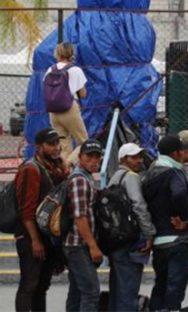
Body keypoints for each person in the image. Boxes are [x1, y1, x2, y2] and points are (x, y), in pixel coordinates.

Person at [14, 127, 69, 312]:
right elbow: (26, 210)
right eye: (51, 144)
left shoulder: (54, 167)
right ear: (39, 147)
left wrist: (64, 167)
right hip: (30, 236)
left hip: (47, 235)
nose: (56, 148)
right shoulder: (30, 169)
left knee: (42, 287)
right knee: (29, 284)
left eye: (57, 143)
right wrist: (35, 241)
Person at [143, 134, 188, 312]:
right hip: (176, 240)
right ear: (176, 153)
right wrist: (183, 218)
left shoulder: (150, 173)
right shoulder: (174, 172)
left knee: (160, 286)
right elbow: (179, 193)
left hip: (158, 241)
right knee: (174, 290)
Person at [107, 143, 156, 312]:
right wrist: (149, 233)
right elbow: (138, 205)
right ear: (123, 159)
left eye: (140, 157)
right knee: (128, 290)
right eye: (134, 157)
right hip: (130, 239)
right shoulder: (131, 177)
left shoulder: (114, 177)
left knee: (117, 289)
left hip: (115, 239)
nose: (139, 160)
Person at [63, 139, 104, 312]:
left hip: (77, 244)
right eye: (89, 156)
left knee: (77, 291)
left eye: (97, 156)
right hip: (78, 244)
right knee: (91, 292)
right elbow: (80, 217)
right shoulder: (80, 180)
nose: (94, 160)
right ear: (80, 157)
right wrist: (93, 246)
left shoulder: (85, 177)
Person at [44, 41, 89, 162]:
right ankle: (67, 167)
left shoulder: (50, 70)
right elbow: (83, 94)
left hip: (53, 112)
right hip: (69, 109)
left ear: (58, 54)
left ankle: (61, 172)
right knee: (84, 143)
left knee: (64, 145)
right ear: (72, 54)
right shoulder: (75, 70)